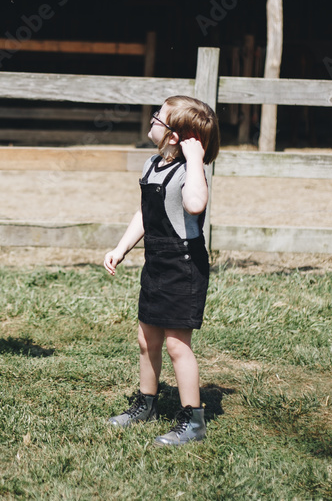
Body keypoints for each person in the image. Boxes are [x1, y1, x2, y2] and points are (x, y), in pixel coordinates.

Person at [103, 95, 220, 446]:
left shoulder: (189, 172)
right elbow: (144, 214)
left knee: (176, 346)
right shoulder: (150, 165)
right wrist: (122, 248)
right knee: (146, 339)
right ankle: (146, 404)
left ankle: (193, 421)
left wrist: (197, 159)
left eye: (159, 117)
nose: (152, 118)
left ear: (173, 136)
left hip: (183, 265)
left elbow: (195, 204)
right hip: (156, 260)